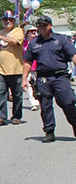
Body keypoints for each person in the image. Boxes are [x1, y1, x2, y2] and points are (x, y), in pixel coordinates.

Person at [22, 15, 76, 143]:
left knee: (68, 102)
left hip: (60, 76)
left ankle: (75, 123)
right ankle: (49, 131)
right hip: (43, 78)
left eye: (44, 25)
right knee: (45, 105)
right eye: (39, 25)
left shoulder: (60, 39)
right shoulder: (34, 43)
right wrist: (24, 79)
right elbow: (28, 62)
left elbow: (73, 55)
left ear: (50, 26)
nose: (42, 27)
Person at [0, 10, 25, 126]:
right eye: (5, 19)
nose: (8, 21)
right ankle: (1, 117)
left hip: (16, 69)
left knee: (17, 95)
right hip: (1, 70)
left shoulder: (18, 31)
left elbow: (14, 41)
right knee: (1, 93)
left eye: (10, 19)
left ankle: (16, 116)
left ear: (14, 20)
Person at [22, 24, 40, 112]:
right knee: (28, 84)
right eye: (31, 31)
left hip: (38, 66)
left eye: (35, 31)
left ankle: (40, 99)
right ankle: (33, 102)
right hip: (28, 66)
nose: (34, 33)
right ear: (27, 33)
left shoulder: (39, 42)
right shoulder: (24, 44)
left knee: (38, 84)